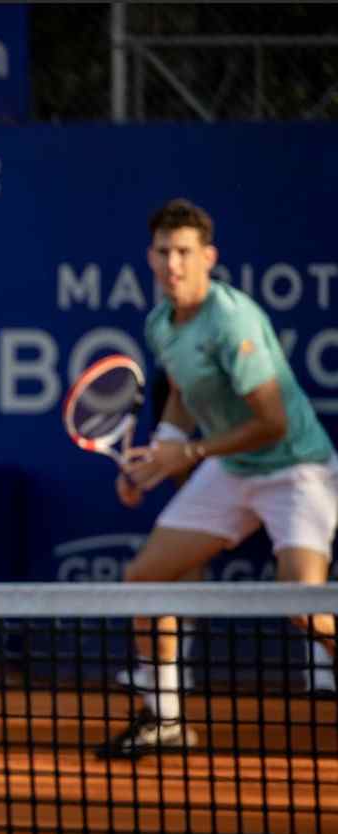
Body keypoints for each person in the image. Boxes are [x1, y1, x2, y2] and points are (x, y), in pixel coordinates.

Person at [100, 199, 337, 759]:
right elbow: (184, 395)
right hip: (231, 469)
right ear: (150, 257)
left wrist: (188, 454)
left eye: (184, 252)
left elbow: (272, 422)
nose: (173, 264)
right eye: (164, 252)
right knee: (145, 579)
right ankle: (165, 719)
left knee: (305, 606)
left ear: (208, 257)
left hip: (296, 470)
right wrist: (156, 459)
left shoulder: (233, 321)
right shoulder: (160, 323)